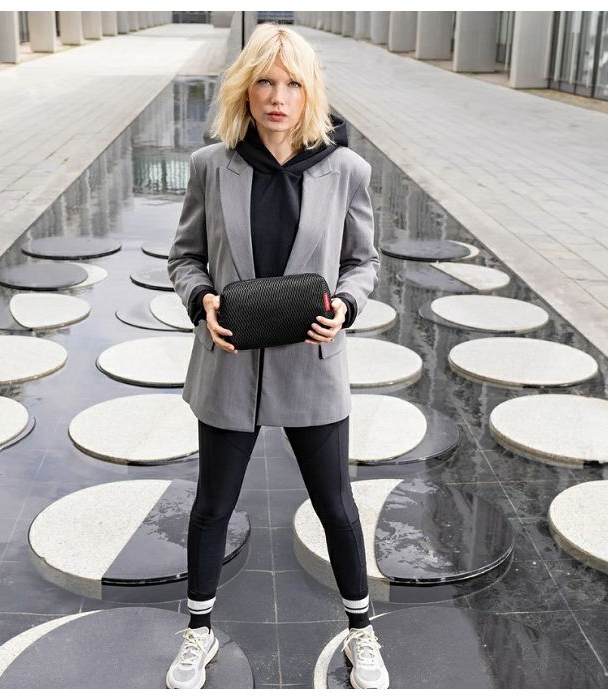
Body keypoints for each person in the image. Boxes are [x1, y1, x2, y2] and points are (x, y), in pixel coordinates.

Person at [165, 22, 387, 690]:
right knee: (212, 507)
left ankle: (361, 631)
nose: (278, 96)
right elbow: (185, 256)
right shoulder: (212, 166)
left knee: (337, 508)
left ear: (310, 91)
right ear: (245, 88)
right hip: (230, 364)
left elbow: (364, 262)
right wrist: (200, 298)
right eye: (264, 81)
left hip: (312, 367)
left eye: (292, 83)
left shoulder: (347, 170)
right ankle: (198, 632)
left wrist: (345, 306)